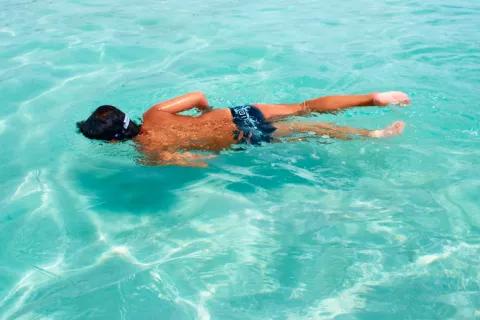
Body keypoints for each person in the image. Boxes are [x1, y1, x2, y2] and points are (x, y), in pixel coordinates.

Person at [77, 91, 410, 167]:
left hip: (242, 136)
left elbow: (198, 161)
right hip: (237, 113)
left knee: (314, 130)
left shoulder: (148, 153)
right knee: (303, 108)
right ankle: (373, 98)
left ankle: (371, 135)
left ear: (114, 140)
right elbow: (198, 96)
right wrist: (206, 113)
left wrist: (208, 151)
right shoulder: (154, 112)